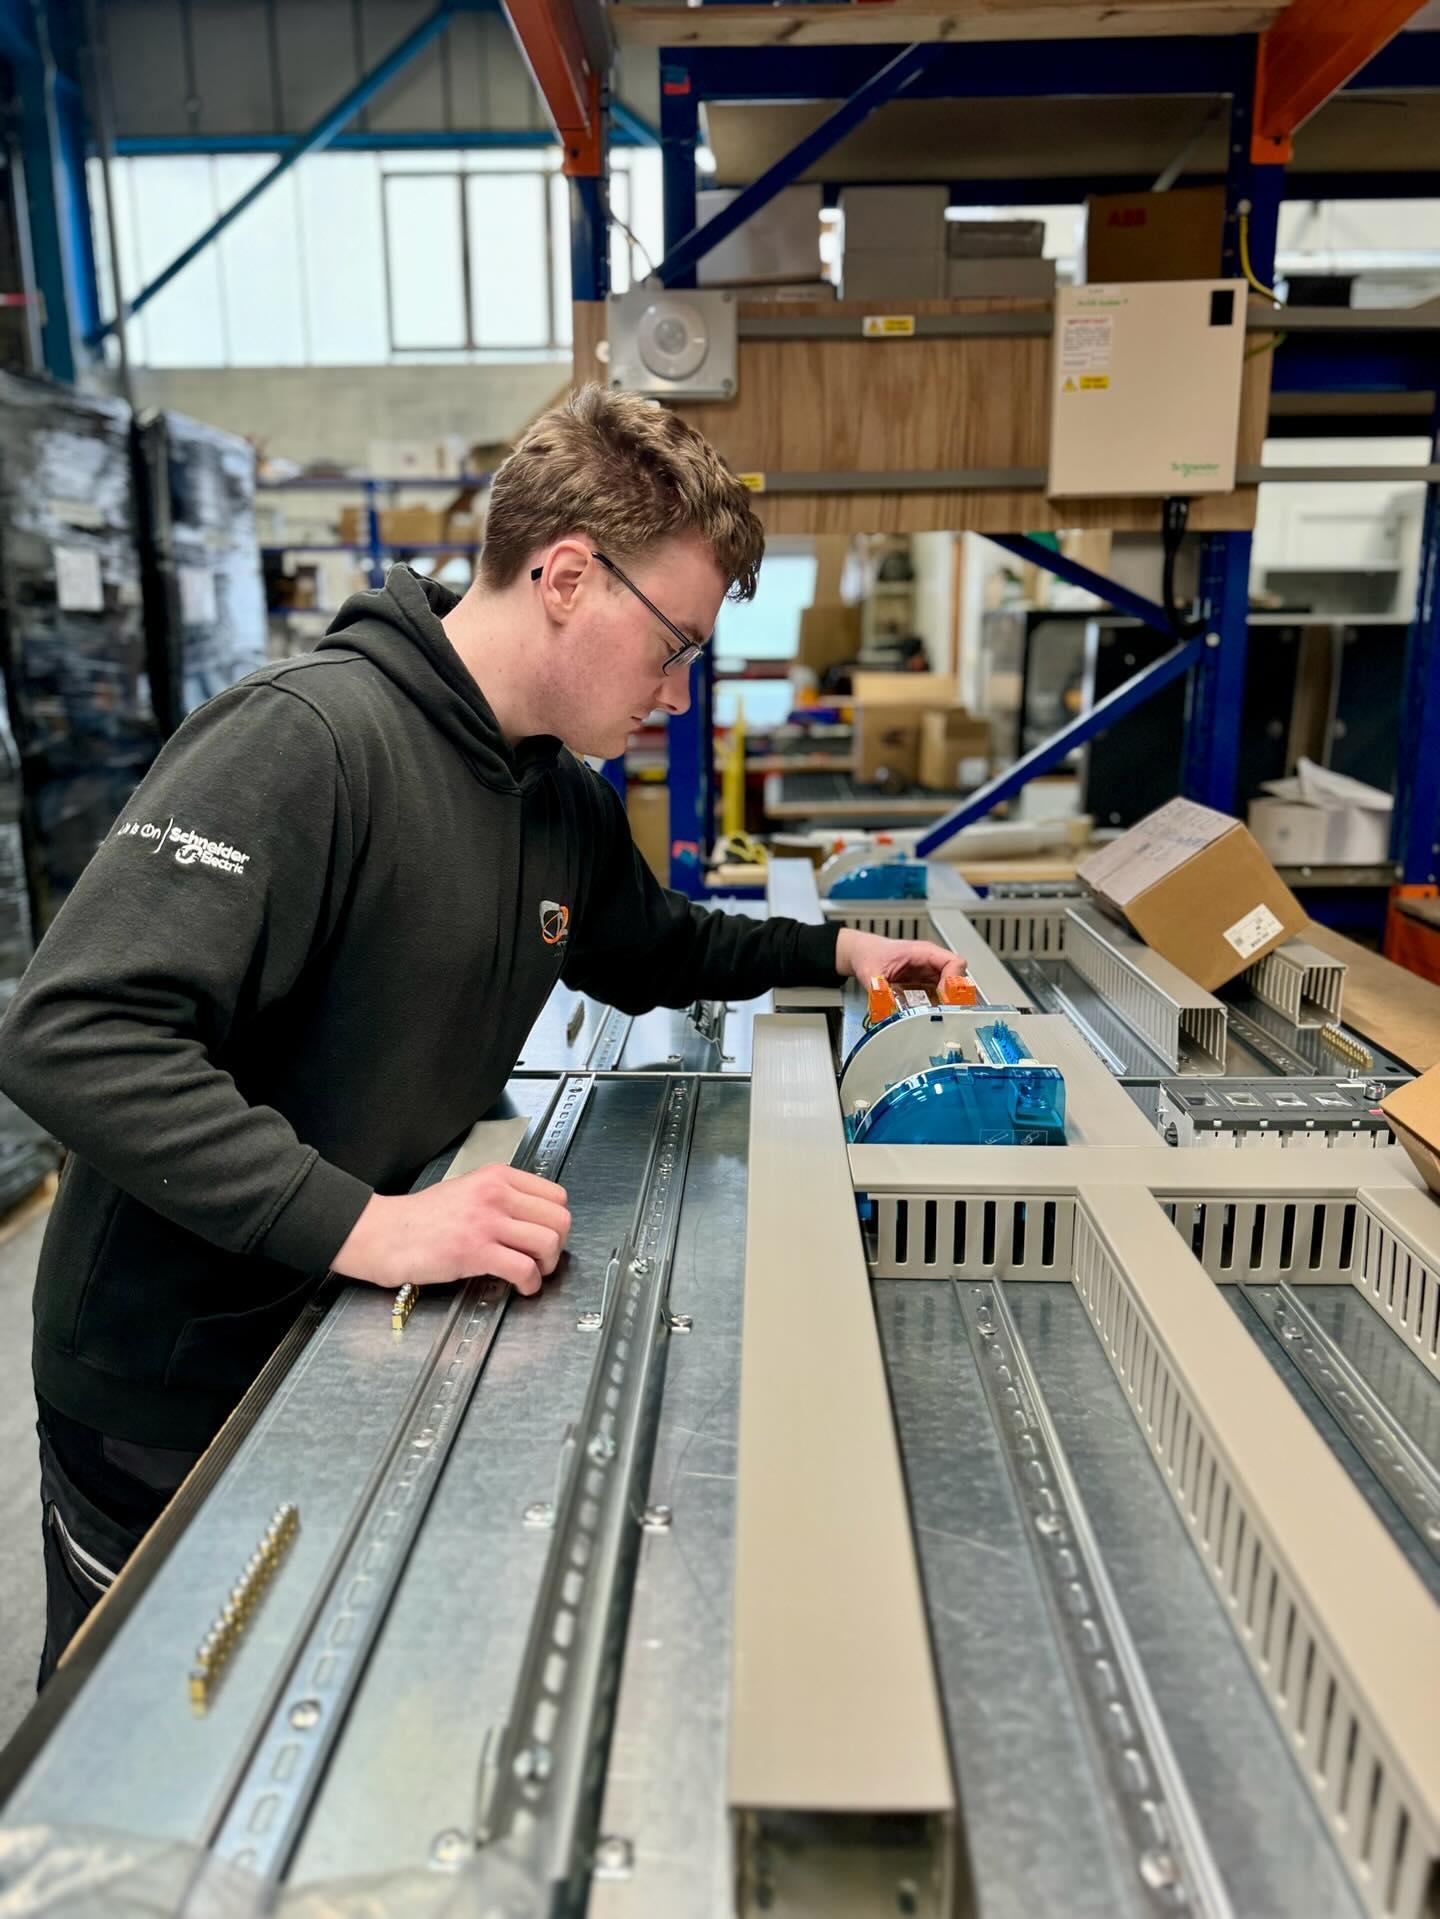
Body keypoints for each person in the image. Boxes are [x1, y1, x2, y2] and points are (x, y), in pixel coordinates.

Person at [0, 386, 967, 1683]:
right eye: (673, 646)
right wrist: (370, 1224)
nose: (676, 696)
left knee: (312, 1693)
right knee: (158, 1732)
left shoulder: (551, 797)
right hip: (176, 1372)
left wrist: (839, 951)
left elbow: (661, 947)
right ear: (568, 576)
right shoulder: (308, 743)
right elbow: (74, 1033)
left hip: (340, 1333)